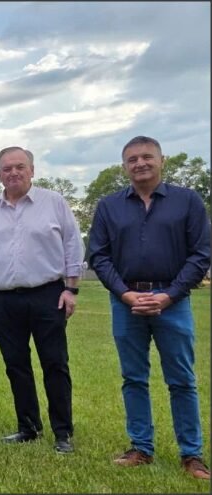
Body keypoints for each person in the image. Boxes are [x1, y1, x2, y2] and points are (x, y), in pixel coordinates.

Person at [88, 135, 211, 480]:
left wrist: (169, 295)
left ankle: (192, 454)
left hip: (173, 304)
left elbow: (201, 254)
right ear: (124, 166)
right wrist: (126, 294)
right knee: (133, 378)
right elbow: (98, 255)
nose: (140, 163)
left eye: (147, 157)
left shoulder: (188, 202)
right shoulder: (109, 206)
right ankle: (141, 447)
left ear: (161, 160)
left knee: (182, 380)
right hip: (126, 302)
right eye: (132, 159)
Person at [0, 146, 83, 454]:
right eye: (7, 168)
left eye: (20, 166)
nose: (13, 172)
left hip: (47, 294)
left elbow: (72, 244)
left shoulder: (54, 202)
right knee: (15, 365)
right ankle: (28, 427)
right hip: (2, 299)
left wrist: (72, 289)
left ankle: (62, 432)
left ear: (32, 170)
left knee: (55, 363)